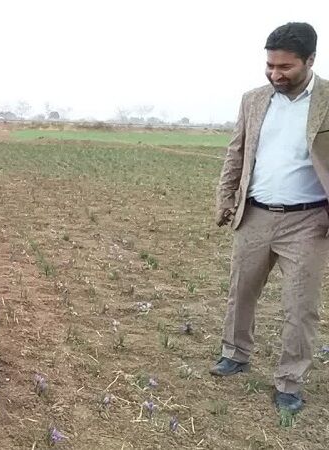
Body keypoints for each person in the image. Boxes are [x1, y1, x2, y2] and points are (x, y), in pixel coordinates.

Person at [212, 22, 329, 414]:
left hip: (309, 222)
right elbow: (236, 152)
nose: (275, 74)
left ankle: (290, 382)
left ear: (310, 60)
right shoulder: (254, 100)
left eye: (285, 67)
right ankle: (235, 353)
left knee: (300, 306)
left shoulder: (328, 99)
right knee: (241, 291)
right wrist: (225, 197)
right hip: (255, 214)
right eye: (270, 65)